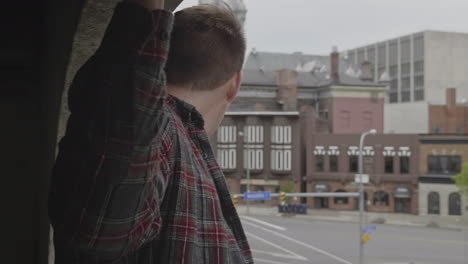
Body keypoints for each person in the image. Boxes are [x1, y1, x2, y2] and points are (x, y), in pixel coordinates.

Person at [48, 0, 253, 263]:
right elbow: (103, 229)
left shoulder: (181, 146)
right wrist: (144, 23)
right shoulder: (157, 135)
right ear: (236, 83)